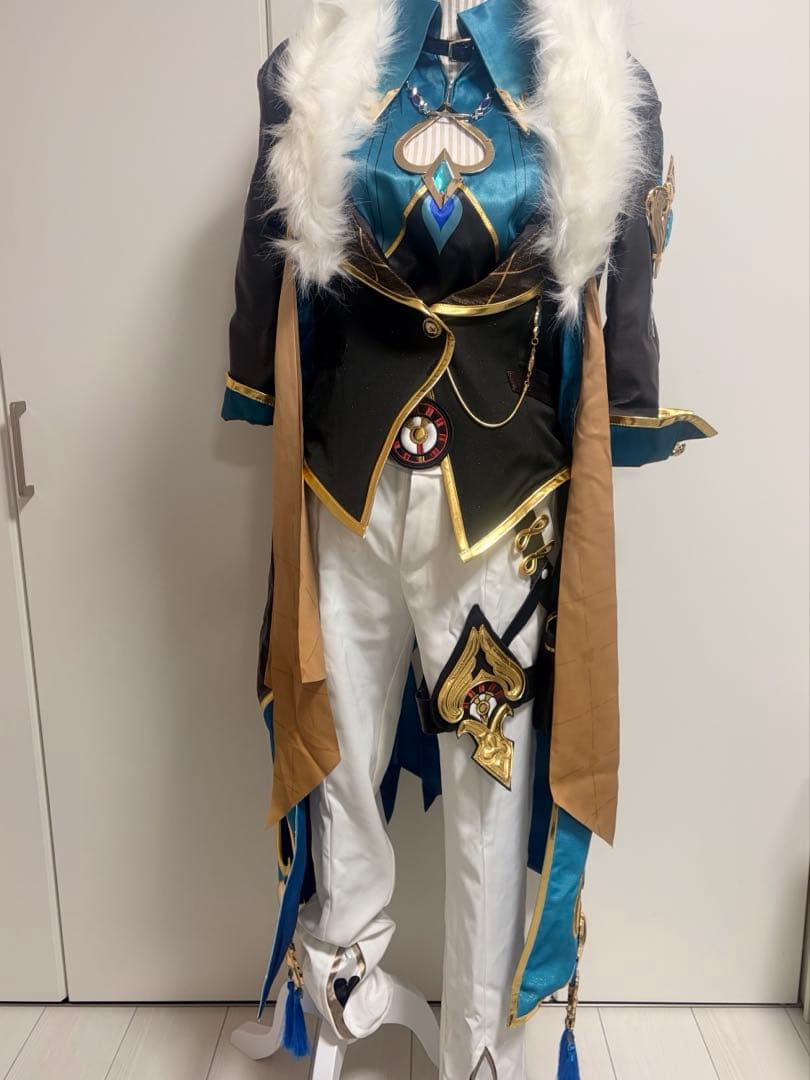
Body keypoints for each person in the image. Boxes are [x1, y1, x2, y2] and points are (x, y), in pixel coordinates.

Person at [221, 2, 716, 1077]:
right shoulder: (315, 61)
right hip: (347, 479)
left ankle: (481, 1047)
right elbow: (271, 253)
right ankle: (342, 985)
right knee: (336, 743)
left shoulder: (594, 75)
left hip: (501, 495)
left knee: (490, 782)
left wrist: (630, 404)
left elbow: (623, 269)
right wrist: (255, 380)